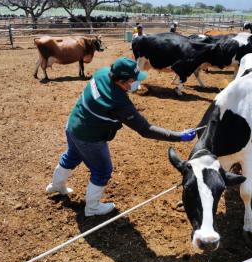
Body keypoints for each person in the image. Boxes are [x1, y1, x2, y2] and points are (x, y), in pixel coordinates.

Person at [46, 57, 196, 217]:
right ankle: (92, 207)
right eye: (133, 81)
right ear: (123, 81)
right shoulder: (118, 103)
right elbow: (146, 130)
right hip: (89, 136)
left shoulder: (102, 73)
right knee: (102, 170)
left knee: (72, 155)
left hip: (73, 124)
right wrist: (179, 136)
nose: (135, 84)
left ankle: (56, 185)